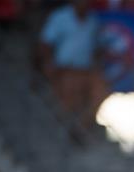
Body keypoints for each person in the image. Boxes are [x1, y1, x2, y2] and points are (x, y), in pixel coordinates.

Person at [39, 0, 109, 132]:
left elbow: (96, 47)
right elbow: (45, 43)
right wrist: (48, 65)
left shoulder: (93, 21)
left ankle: (81, 127)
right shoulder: (60, 17)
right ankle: (62, 126)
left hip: (86, 70)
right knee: (69, 94)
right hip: (64, 69)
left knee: (101, 90)